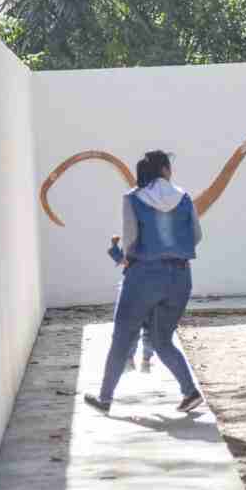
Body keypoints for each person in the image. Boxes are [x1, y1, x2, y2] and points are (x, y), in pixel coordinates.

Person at [84, 151, 204, 414]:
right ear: (165, 170)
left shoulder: (132, 198)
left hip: (143, 276)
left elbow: (130, 239)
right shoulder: (184, 197)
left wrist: (128, 257)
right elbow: (196, 235)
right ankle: (190, 392)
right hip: (180, 277)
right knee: (162, 340)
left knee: (122, 337)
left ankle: (105, 398)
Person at [107, 234, 155, 372]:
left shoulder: (132, 242)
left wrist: (114, 246)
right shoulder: (156, 243)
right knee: (150, 328)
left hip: (134, 287)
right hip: (151, 288)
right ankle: (145, 361)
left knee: (133, 327)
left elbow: (121, 259)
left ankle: (132, 360)